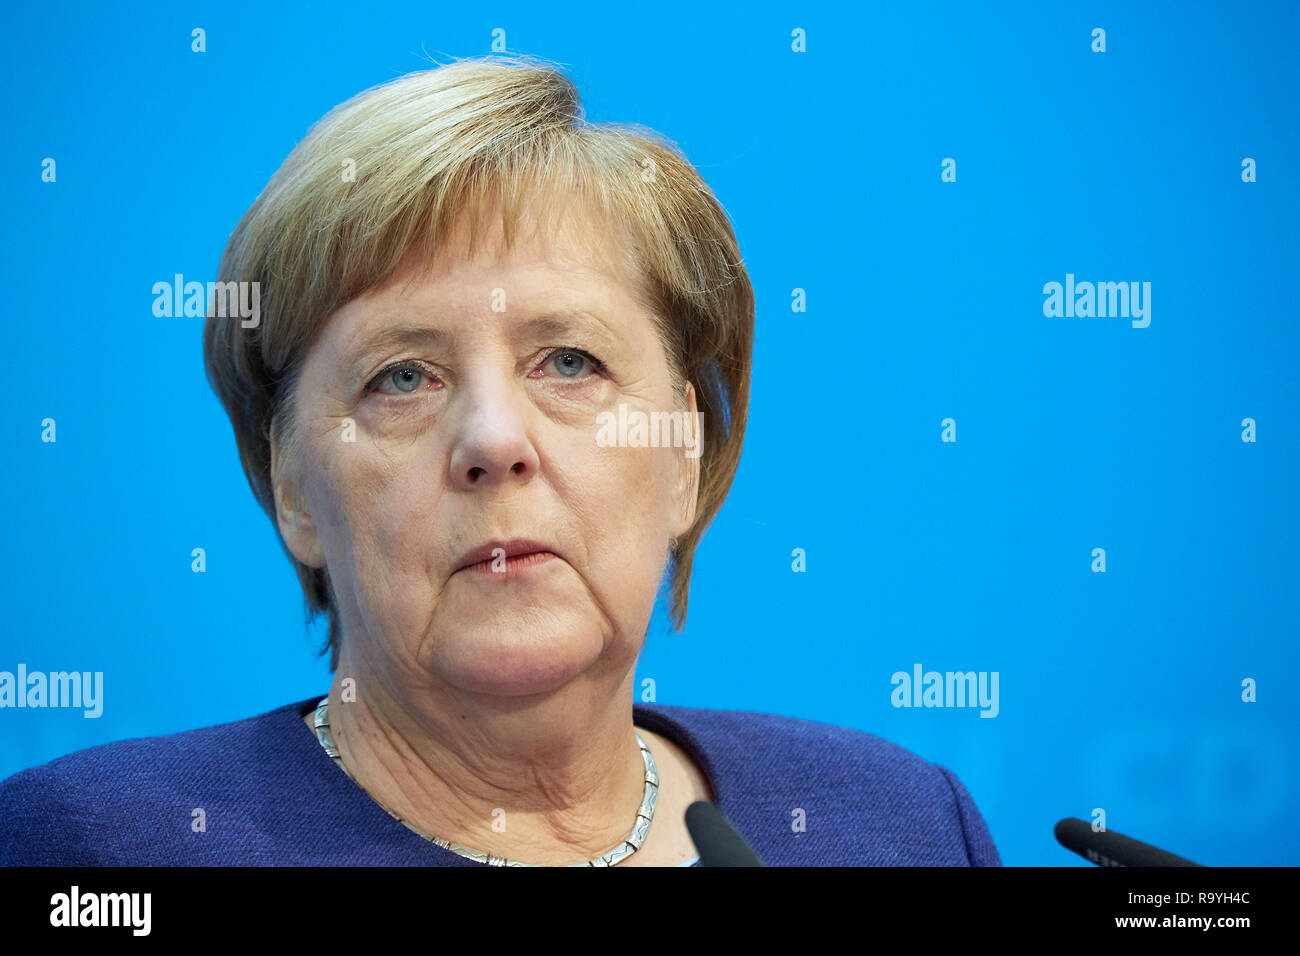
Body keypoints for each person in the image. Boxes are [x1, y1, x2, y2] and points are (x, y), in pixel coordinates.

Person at [0, 55, 998, 867]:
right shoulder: (94, 845)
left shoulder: (903, 824)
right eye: (401, 377)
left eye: (570, 362)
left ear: (683, 454)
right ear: (294, 485)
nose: (491, 440)